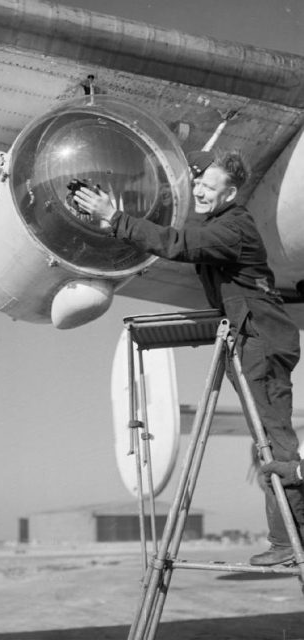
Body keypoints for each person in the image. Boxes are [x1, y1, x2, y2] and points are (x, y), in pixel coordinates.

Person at [74, 149, 304, 566]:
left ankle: (291, 542)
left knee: (275, 448)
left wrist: (116, 219)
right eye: (197, 182)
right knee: (269, 444)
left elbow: (179, 243)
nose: (198, 190)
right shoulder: (223, 221)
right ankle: (287, 540)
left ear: (230, 193)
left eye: (208, 186)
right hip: (254, 338)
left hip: (261, 344)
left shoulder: (233, 228)